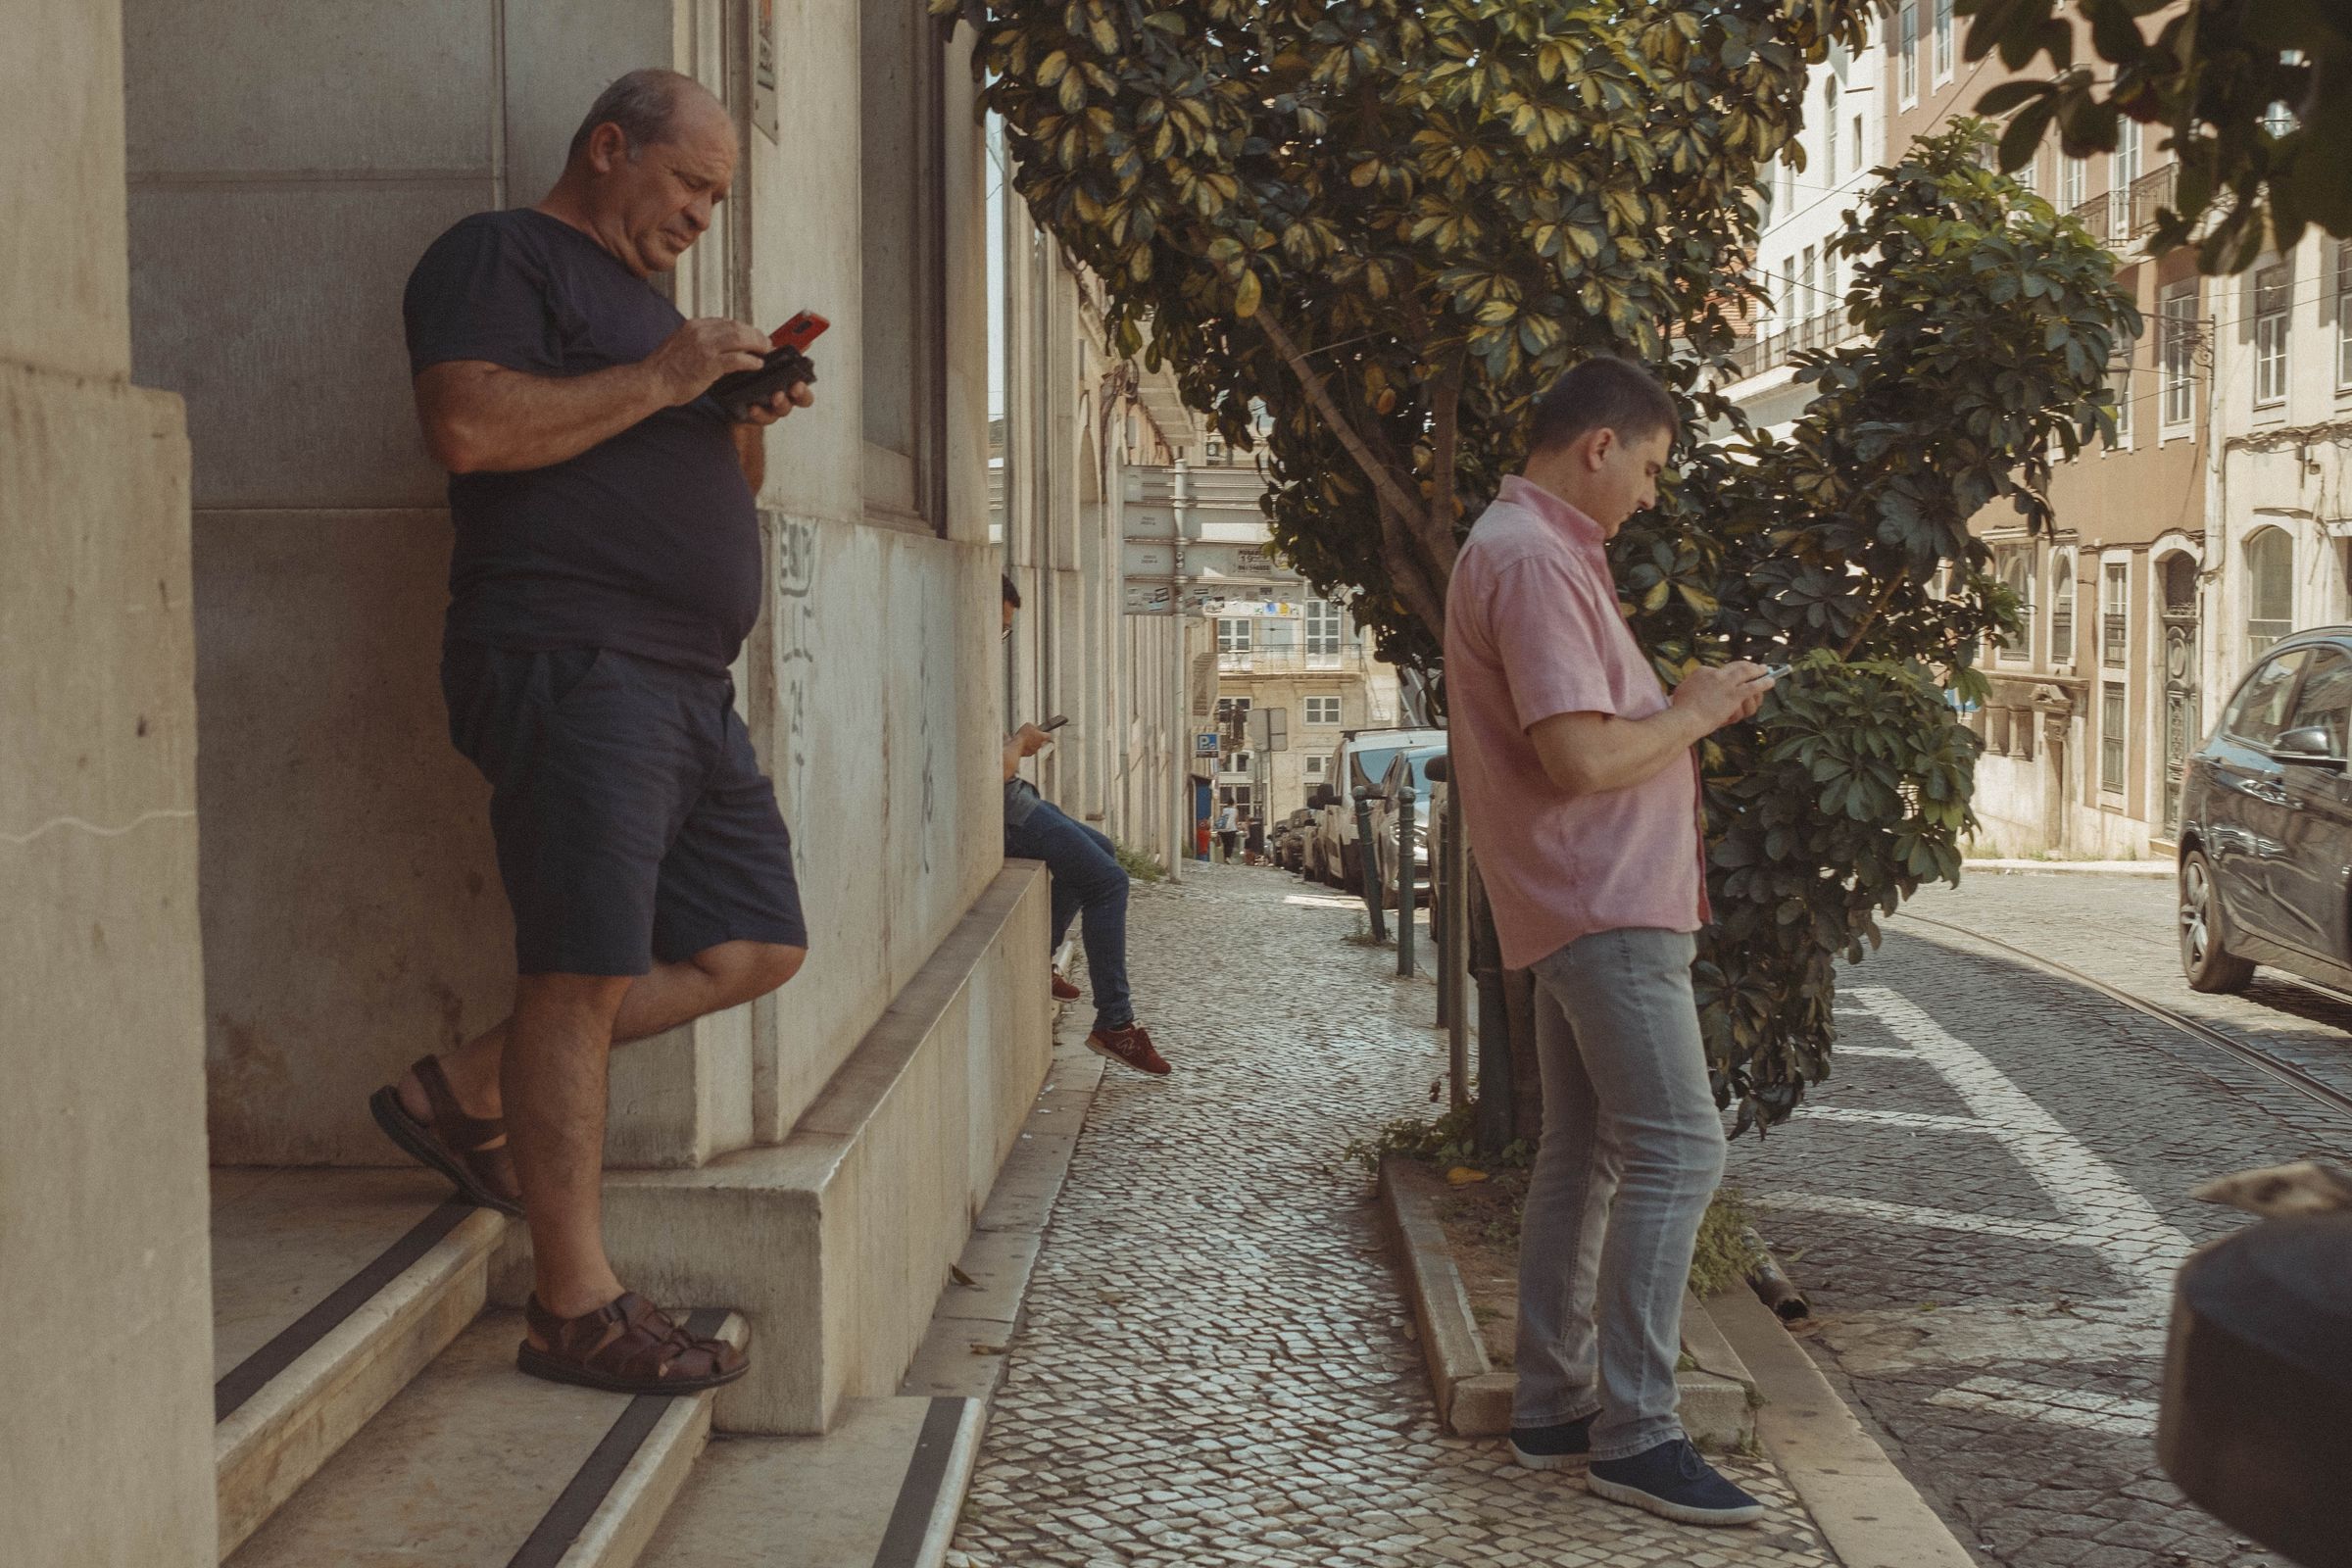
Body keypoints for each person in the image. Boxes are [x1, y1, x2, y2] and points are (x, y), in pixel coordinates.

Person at [376, 69, 815, 1396]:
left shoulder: (654, 320)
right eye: (688, 183)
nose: (699, 215)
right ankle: (573, 1308)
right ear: (609, 145)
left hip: (684, 678)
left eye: (717, 197)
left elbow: (701, 482)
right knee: (577, 969)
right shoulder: (499, 254)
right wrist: (669, 369)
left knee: (758, 944)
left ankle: (462, 1089)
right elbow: (465, 426)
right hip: (572, 660)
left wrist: (738, 418)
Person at [1443, 356, 1774, 1527]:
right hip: (1604, 905)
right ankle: (1637, 1431)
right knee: (1682, 1149)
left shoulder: (1529, 547)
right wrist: (1693, 712)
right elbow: (1577, 759)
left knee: (1585, 1156)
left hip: (1582, 902)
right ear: (1598, 446)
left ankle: (1551, 1404)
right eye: (1648, 464)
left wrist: (1686, 703)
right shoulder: (1533, 559)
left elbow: (1588, 733)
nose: (1648, 491)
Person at [1001, 576, 1170, 1076]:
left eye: (1006, 630)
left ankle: (1042, 959)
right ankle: (1115, 1024)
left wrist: (1014, 742)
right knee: (1108, 882)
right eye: (999, 624)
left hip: (1016, 798)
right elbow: (991, 770)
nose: (999, 636)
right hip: (1006, 807)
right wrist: (1019, 745)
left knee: (1100, 849)